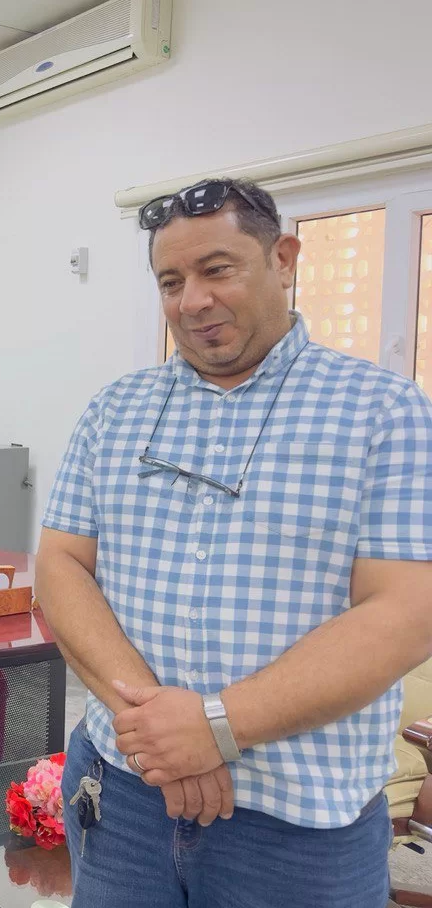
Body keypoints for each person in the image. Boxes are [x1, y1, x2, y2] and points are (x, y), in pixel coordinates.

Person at [37, 177, 432, 907]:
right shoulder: (115, 411)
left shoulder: (383, 413)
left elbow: (406, 614)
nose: (193, 300)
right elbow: (62, 566)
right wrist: (159, 731)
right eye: (171, 281)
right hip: (123, 800)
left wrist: (217, 726)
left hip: (297, 827)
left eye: (217, 269)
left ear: (283, 258)